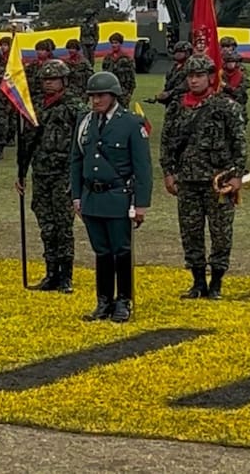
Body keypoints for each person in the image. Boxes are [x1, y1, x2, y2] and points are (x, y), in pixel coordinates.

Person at [160, 55, 247, 299]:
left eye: (199, 75)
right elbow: (167, 142)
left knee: (221, 233)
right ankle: (198, 282)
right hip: (187, 181)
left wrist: (237, 175)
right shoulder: (177, 106)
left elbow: (239, 142)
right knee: (191, 232)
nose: (194, 80)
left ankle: (217, 282)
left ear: (210, 77)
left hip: (218, 180)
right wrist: (168, 172)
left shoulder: (225, 106)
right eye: (190, 76)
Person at [71, 71, 153, 323]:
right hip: (92, 198)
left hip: (118, 197)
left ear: (113, 95)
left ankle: (123, 301)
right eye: (92, 96)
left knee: (121, 251)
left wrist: (140, 204)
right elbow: (77, 159)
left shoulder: (130, 123)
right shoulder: (85, 121)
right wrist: (76, 195)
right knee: (101, 251)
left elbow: (142, 167)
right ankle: (103, 301)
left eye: (101, 95)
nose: (96, 100)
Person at [16, 59, 86, 293]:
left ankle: (66, 276)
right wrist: (21, 171)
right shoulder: (34, 106)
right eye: (45, 80)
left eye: (53, 79)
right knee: (46, 225)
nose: (48, 84)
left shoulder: (75, 107)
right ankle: (51, 272)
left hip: (64, 174)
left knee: (63, 226)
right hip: (41, 173)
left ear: (64, 81)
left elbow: (85, 140)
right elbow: (27, 141)